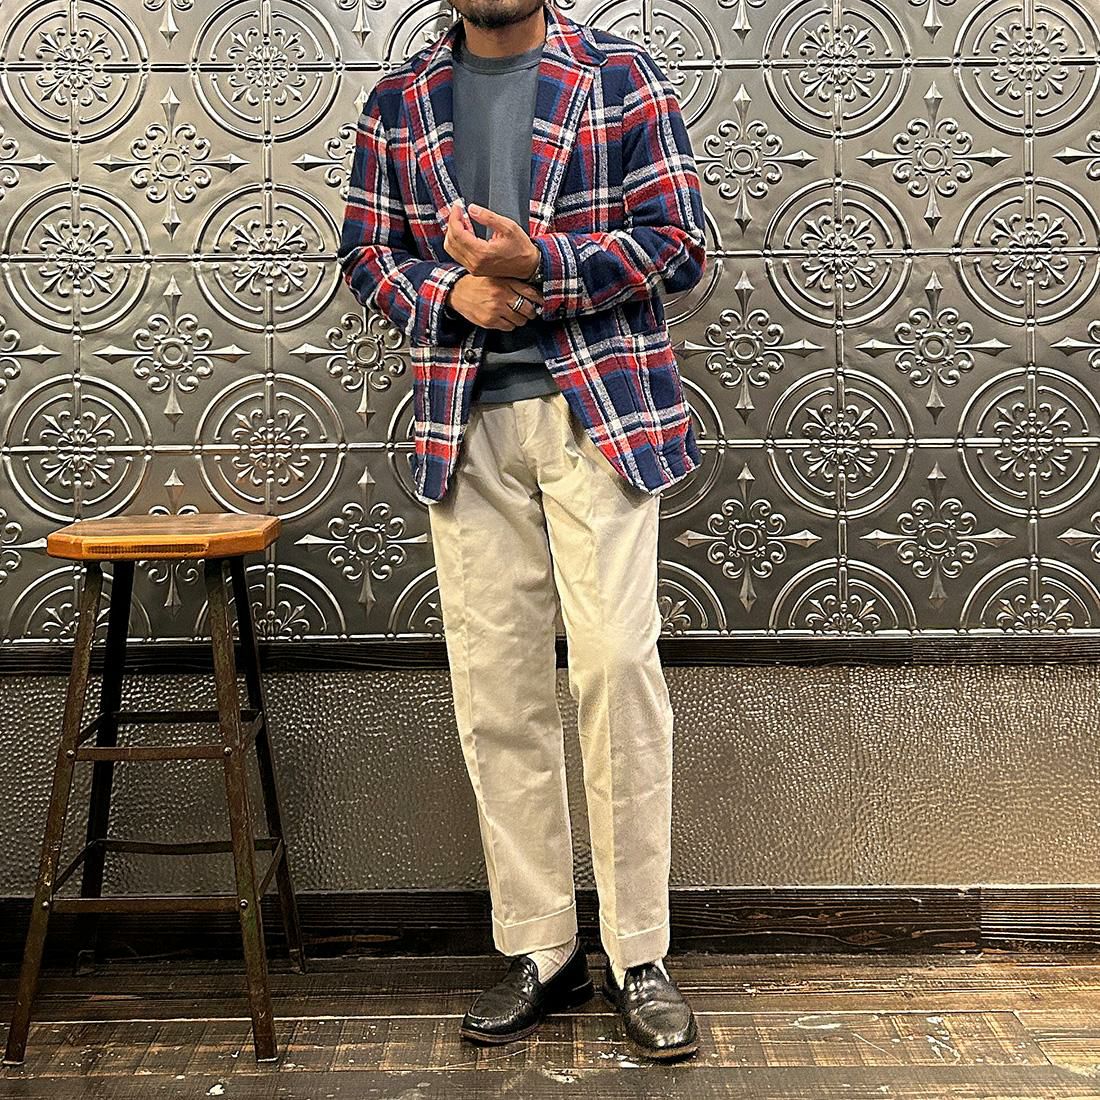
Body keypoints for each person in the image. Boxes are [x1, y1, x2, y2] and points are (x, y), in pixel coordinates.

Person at [338, 0, 707, 1062]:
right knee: (496, 687)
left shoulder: (620, 77)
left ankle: (638, 953)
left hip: (601, 417)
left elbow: (680, 244)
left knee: (614, 670)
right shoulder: (399, 100)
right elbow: (365, 253)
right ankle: (541, 946)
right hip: (462, 425)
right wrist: (450, 289)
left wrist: (538, 265)